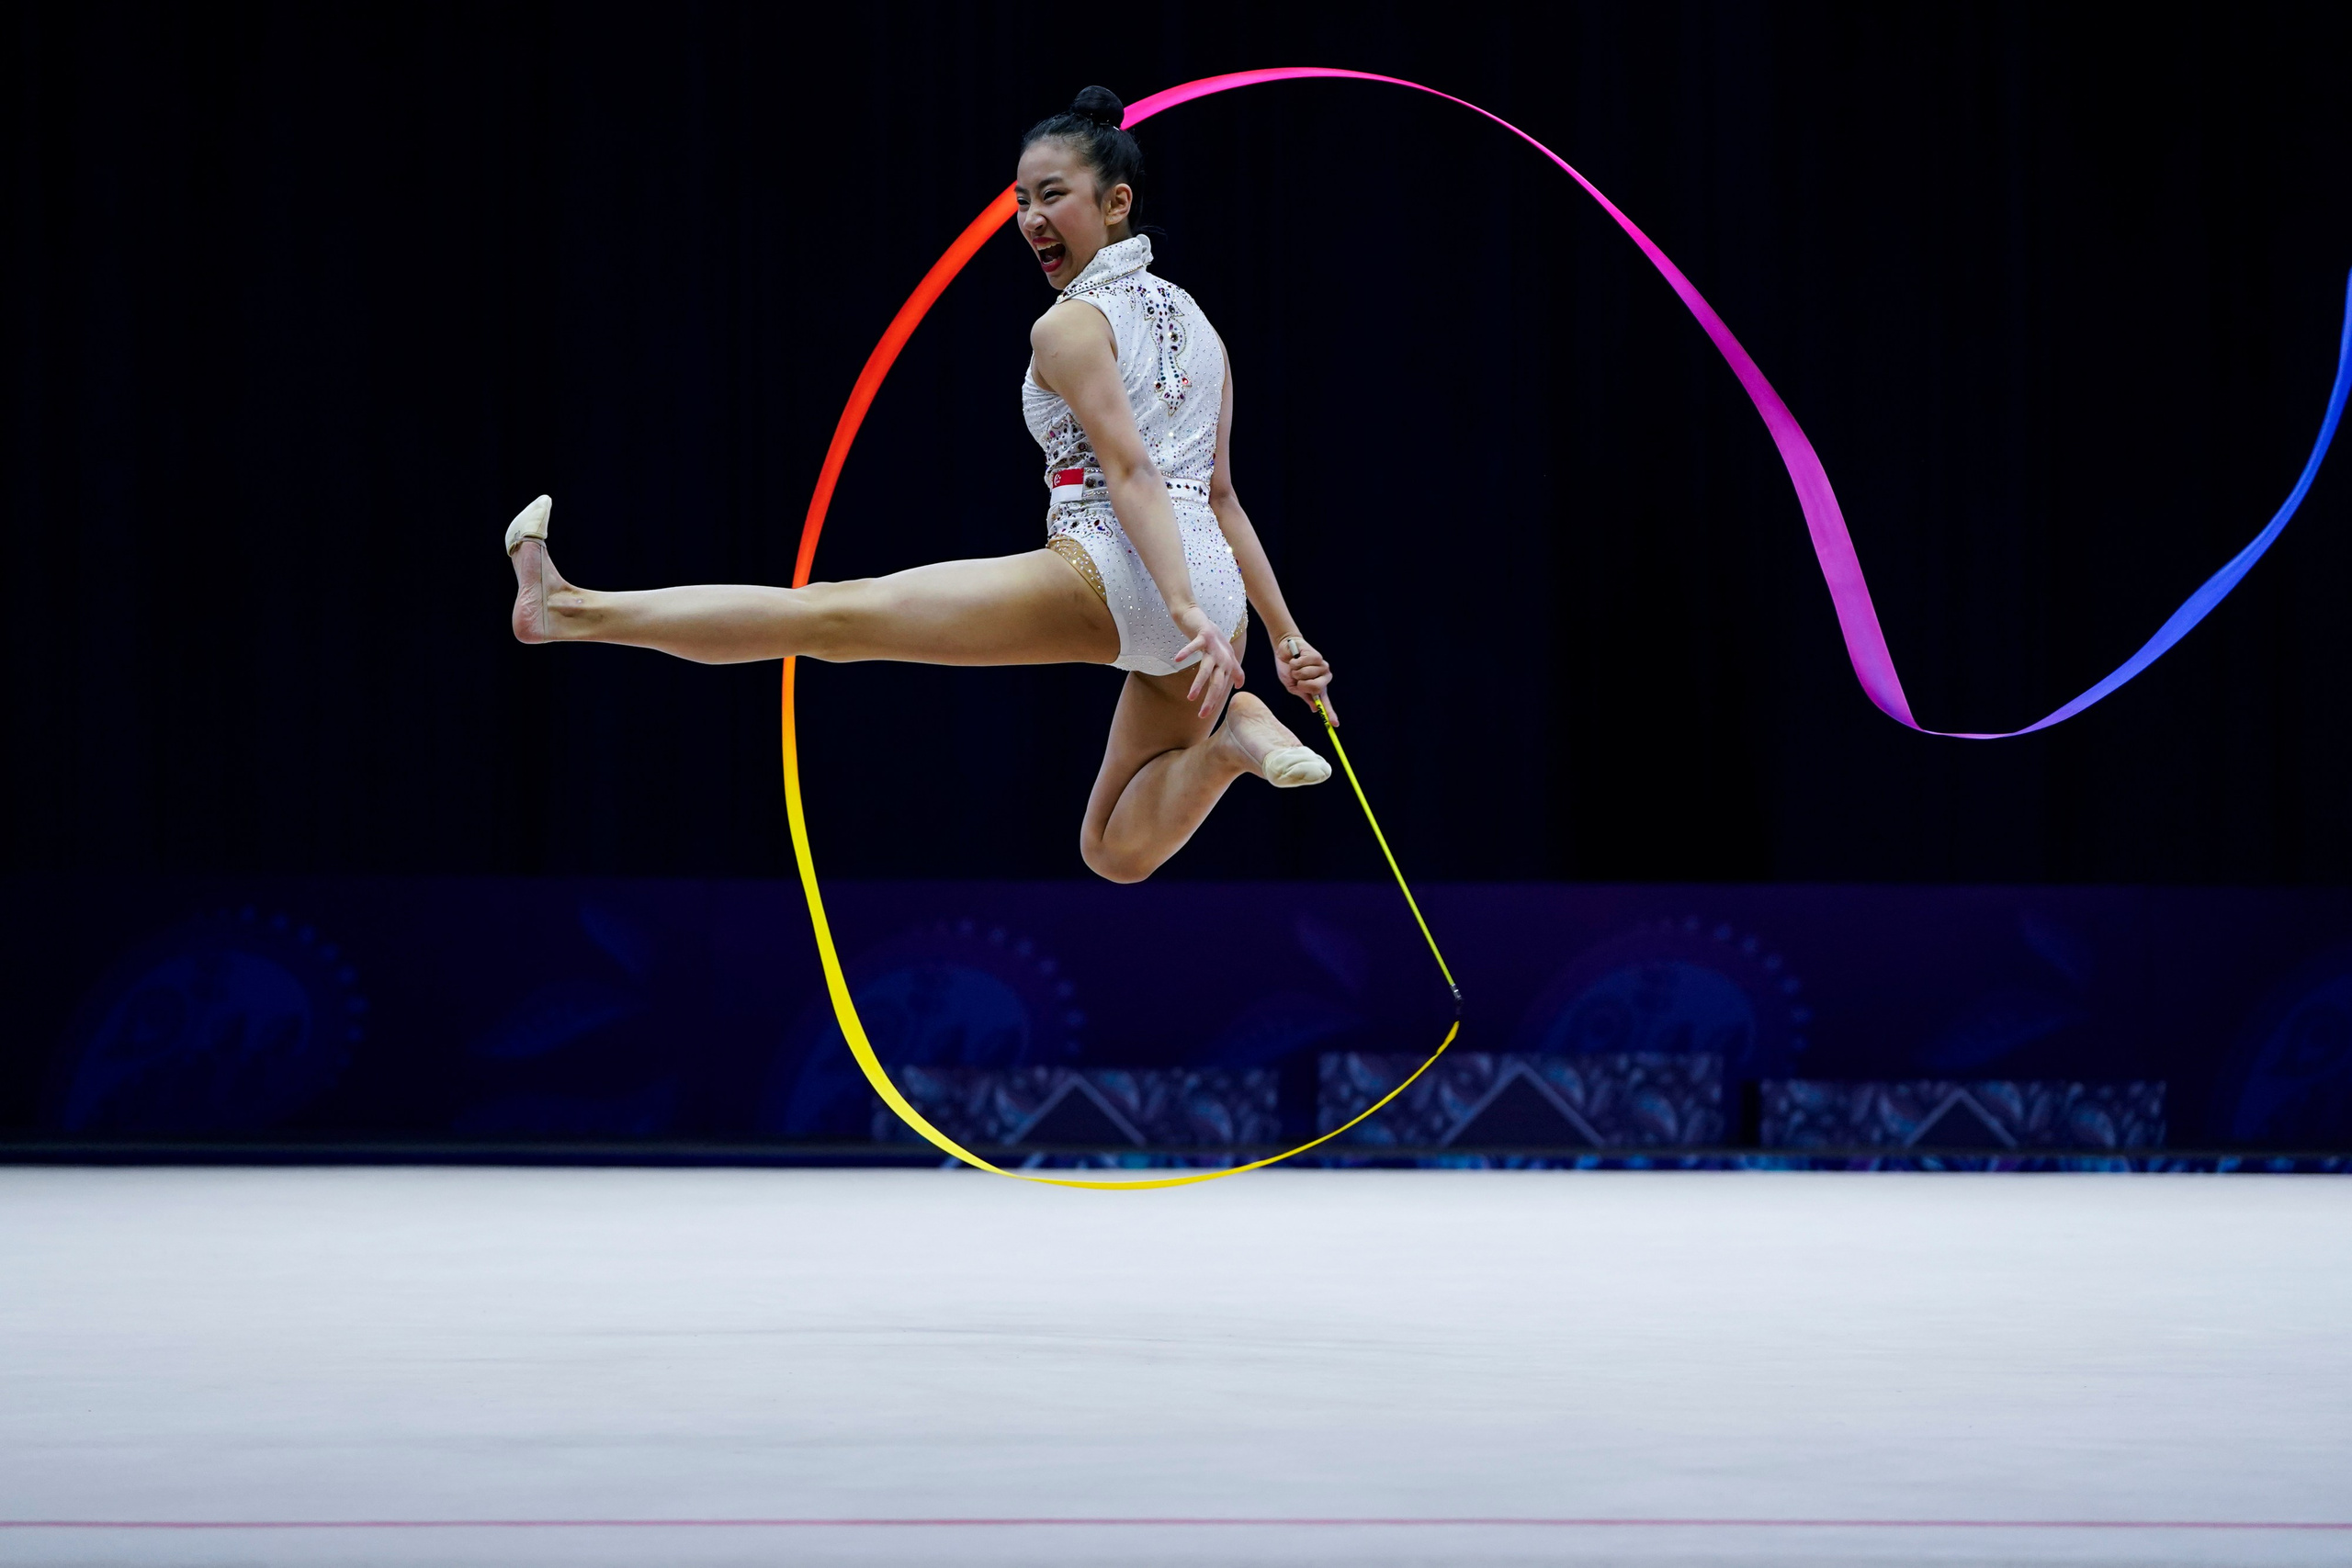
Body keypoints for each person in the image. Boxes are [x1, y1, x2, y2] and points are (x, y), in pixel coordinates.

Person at [503, 85, 1337, 884]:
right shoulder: (1200, 325)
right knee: (1114, 849)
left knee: (827, 615)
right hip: (1216, 604)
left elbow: (1130, 474)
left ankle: (572, 610)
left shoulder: (1069, 326)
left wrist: (1182, 606)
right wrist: (1284, 636)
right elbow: (1220, 498)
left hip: (1127, 572)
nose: (1030, 219)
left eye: (1053, 196)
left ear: (1117, 202)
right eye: (1019, 200)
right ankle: (1234, 743)